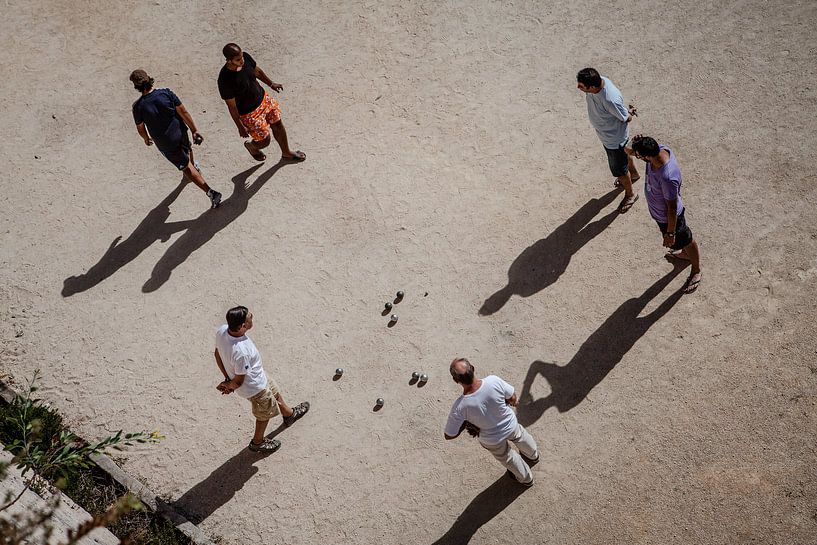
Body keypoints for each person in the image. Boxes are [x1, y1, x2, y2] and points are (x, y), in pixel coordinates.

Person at [214, 306, 310, 452]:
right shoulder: (241, 351)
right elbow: (239, 381)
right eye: (249, 317)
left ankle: (289, 414)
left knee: (275, 392)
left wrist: (227, 379)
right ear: (243, 326)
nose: (252, 316)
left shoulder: (222, 330)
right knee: (264, 414)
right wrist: (230, 385)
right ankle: (257, 442)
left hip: (259, 376)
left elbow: (217, 353)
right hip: (255, 388)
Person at [130, 70, 222, 209]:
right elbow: (183, 111)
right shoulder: (166, 93)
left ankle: (211, 192)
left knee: (185, 167)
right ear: (149, 79)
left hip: (166, 143)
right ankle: (193, 166)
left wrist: (146, 139)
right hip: (181, 132)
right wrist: (194, 129)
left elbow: (141, 128)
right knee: (187, 148)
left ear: (136, 86)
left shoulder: (138, 107)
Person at [444, 358, 539, 486]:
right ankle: (533, 455)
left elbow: (449, 435)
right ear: (473, 368)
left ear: (456, 381)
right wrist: (511, 402)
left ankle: (526, 479)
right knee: (520, 436)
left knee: (508, 457)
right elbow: (512, 397)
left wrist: (466, 422)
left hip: (492, 439)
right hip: (510, 424)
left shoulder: (460, 407)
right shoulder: (493, 381)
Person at [628, 135, 702, 293]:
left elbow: (672, 209)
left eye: (639, 156)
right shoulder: (657, 150)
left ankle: (696, 270)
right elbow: (634, 151)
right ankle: (684, 254)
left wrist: (670, 232)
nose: (637, 157)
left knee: (687, 239)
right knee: (682, 243)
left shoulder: (667, 177)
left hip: (670, 218)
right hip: (660, 215)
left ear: (647, 156)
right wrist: (633, 145)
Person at [218, 43, 306, 163]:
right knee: (265, 140)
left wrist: (271, 83)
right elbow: (232, 107)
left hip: (263, 99)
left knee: (278, 124)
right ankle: (252, 147)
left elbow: (257, 71)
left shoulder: (245, 58)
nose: (242, 60)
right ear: (229, 60)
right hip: (249, 113)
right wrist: (240, 127)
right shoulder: (225, 80)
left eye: (242, 56)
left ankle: (286, 153)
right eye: (238, 60)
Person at [576, 67, 640, 213]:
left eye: (581, 86)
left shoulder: (610, 99)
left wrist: (628, 112)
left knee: (620, 171)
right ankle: (634, 174)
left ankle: (631, 194)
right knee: (625, 157)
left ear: (591, 87)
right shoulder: (598, 82)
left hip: (614, 140)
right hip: (609, 137)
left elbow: (626, 118)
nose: (578, 87)